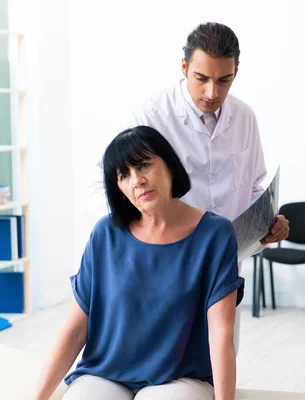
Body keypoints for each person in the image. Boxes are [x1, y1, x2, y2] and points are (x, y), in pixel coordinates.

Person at [34, 126, 243, 400]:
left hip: (181, 378)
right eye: (124, 175)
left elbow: (221, 332)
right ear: (119, 188)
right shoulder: (105, 234)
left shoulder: (215, 234)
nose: (137, 180)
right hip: (106, 373)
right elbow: (75, 330)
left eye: (144, 165)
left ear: (169, 165)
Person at [124, 21, 289, 344]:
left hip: (224, 266)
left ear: (236, 71)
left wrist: (266, 224)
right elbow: (116, 190)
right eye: (201, 79)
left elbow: (253, 186)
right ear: (184, 67)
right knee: (167, 364)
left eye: (224, 80)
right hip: (168, 265)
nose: (212, 93)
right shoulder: (151, 117)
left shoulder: (244, 117)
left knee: (219, 361)